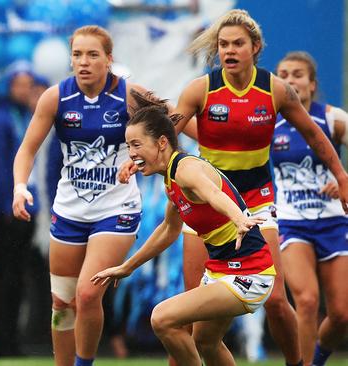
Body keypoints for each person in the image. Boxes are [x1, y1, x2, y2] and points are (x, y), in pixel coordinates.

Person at [115, 9, 348, 366]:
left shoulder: (275, 89)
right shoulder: (202, 89)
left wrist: (342, 177)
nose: (229, 50)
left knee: (274, 300)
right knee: (191, 309)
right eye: (223, 44)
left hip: (254, 203)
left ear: (255, 47)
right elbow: (166, 132)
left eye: (238, 43)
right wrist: (137, 158)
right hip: (203, 198)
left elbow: (316, 136)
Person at [91, 90, 275, 366]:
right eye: (129, 146)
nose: (131, 154)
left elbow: (213, 193)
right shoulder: (170, 180)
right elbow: (168, 230)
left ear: (162, 142)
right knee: (206, 341)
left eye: (137, 145)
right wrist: (127, 266)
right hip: (221, 270)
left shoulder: (185, 169)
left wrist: (239, 218)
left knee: (162, 318)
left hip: (250, 272)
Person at [13, 25, 147, 366]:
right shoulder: (56, 97)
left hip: (117, 208)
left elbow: (171, 124)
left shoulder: (129, 95)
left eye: (92, 55)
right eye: (77, 54)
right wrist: (19, 187)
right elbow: (27, 149)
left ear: (109, 60)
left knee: (88, 294)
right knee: (62, 301)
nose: (83, 62)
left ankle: (84, 362)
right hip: (70, 210)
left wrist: (141, 160)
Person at [271, 51, 348, 366]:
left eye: (298, 74)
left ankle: (315, 360)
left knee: (342, 314)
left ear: (312, 84)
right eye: (284, 74)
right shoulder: (268, 122)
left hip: (333, 221)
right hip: (291, 222)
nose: (290, 80)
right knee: (306, 299)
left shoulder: (332, 118)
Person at [0, 61, 38, 357]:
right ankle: (0, 341)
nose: (25, 90)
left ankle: (13, 339)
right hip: (7, 211)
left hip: (27, 206)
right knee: (4, 276)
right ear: (9, 87)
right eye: (19, 85)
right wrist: (5, 204)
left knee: (17, 276)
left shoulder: (25, 116)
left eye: (29, 85)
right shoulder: (1, 118)